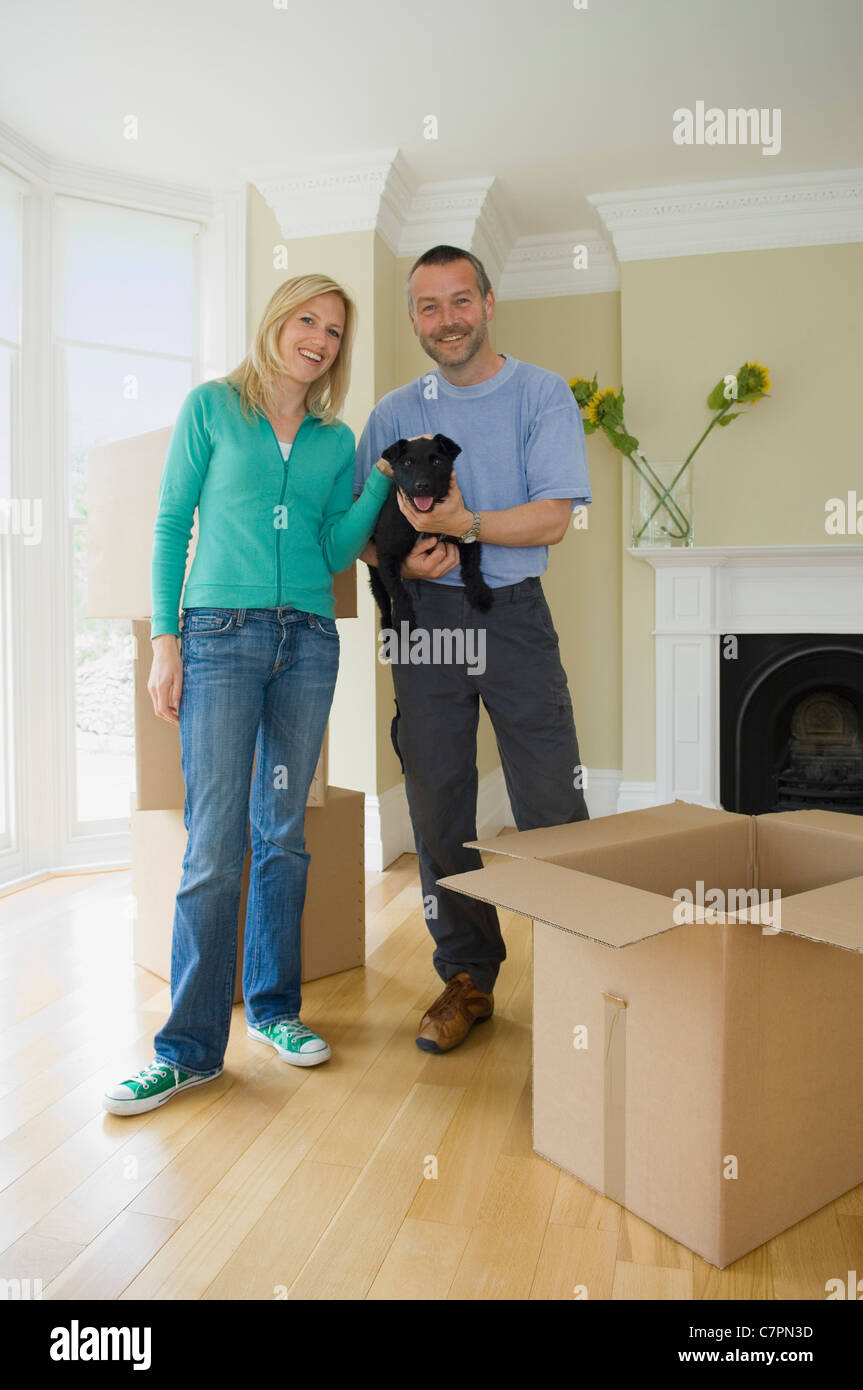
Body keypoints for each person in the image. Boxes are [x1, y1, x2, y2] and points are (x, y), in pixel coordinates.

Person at [104, 274, 394, 1115]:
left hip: (306, 640)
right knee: (211, 841)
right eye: (307, 319)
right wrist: (166, 641)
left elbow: (334, 545)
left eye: (335, 331)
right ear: (276, 322)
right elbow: (170, 524)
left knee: (283, 833)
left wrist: (372, 485)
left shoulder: (334, 440)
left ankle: (274, 1010)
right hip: (220, 637)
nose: (319, 339)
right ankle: (188, 1049)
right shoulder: (211, 409)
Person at [355, 245, 591, 1054]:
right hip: (424, 622)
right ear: (414, 317)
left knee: (550, 799)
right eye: (428, 306)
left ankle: (582, 969)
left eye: (460, 301)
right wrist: (399, 558)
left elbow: (553, 516)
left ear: (488, 303)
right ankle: (466, 976)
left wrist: (464, 527)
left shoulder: (540, 394)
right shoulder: (391, 414)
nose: (445, 319)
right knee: (438, 803)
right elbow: (360, 533)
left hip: (513, 614)